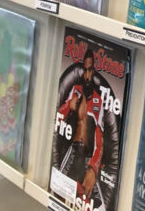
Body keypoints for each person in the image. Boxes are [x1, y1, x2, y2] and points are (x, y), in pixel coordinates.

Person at [53, 49, 120, 211]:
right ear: (82, 72)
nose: (88, 75)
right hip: (73, 150)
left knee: (101, 207)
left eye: (91, 70)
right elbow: (58, 116)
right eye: (85, 70)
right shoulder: (75, 90)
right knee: (56, 191)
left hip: (88, 157)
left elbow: (100, 137)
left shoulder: (98, 101)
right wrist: (69, 106)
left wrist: (93, 168)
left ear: (93, 71)